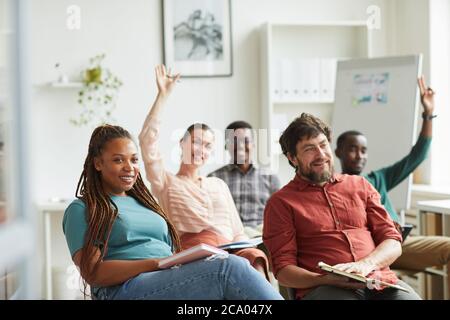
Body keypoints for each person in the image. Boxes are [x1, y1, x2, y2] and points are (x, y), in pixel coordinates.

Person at [62, 124, 282, 300]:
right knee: (227, 269)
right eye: (118, 160)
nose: (129, 167)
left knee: (240, 265)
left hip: (165, 277)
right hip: (123, 289)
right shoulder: (82, 209)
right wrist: (156, 263)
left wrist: (176, 261)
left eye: (134, 159)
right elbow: (93, 273)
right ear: (98, 163)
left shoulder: (145, 203)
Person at [263, 112, 421, 300]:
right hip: (325, 290)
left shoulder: (360, 185)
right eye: (309, 149)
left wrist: (366, 264)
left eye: (323, 145)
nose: (320, 155)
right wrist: (323, 279)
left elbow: (393, 242)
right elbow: (283, 271)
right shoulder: (281, 203)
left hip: (380, 282)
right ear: (292, 158)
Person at [138, 65, 271, 279]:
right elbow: (147, 142)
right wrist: (163, 96)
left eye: (208, 145)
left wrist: (247, 243)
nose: (202, 149)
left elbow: (237, 231)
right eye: (196, 142)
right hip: (196, 254)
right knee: (227, 267)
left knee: (255, 258)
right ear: (182, 144)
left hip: (232, 248)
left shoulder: (217, 184)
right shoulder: (166, 182)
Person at [335, 76, 450, 273]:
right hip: (370, 253)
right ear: (338, 152)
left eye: (364, 150)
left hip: (400, 244)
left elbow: (417, 155)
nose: (359, 156)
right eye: (352, 149)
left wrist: (428, 113)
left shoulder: (378, 179)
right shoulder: (334, 187)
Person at [208, 121, 280, 237]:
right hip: (228, 238)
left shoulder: (271, 178)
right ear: (227, 146)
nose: (240, 146)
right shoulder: (214, 179)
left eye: (245, 141)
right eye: (235, 141)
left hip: (261, 237)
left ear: (253, 144)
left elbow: (278, 216)